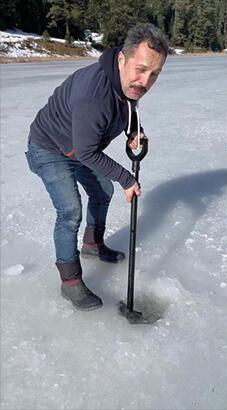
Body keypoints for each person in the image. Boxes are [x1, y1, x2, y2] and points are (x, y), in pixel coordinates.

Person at [25, 23, 169, 311]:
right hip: (49, 147)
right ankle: (70, 282)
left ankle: (92, 244)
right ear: (121, 59)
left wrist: (134, 131)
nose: (145, 81)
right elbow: (88, 152)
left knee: (102, 190)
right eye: (141, 69)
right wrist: (127, 179)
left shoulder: (125, 84)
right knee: (69, 211)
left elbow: (128, 106)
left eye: (154, 74)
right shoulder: (94, 96)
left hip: (77, 146)